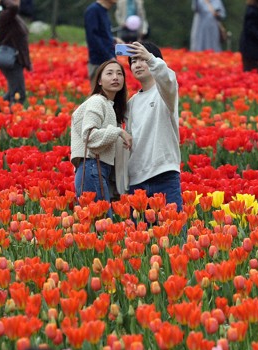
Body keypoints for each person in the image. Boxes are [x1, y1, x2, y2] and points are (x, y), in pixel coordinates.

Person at [125, 41, 182, 215]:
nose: (137, 64)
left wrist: (149, 57)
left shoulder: (165, 94)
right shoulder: (131, 103)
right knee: (138, 239)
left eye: (141, 59)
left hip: (164, 174)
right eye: (133, 61)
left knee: (173, 234)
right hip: (137, 180)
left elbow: (167, 78)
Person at [71, 59, 131, 203]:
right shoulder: (97, 101)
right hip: (92, 167)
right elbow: (89, 135)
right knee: (103, 223)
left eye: (119, 74)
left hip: (98, 170)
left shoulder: (110, 106)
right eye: (109, 73)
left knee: (100, 223)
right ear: (99, 81)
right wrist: (119, 132)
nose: (115, 77)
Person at [0, 0, 31, 103]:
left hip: (16, 59)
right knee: (18, 94)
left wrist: (27, 62)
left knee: (14, 92)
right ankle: (7, 114)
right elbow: (14, 8)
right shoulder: (4, 16)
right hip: (11, 60)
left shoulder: (13, 17)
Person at [85, 0, 117, 84]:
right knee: (98, 95)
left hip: (106, 61)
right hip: (98, 63)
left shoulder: (104, 11)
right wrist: (109, 57)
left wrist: (113, 40)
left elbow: (102, 35)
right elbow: (93, 38)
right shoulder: (93, 10)